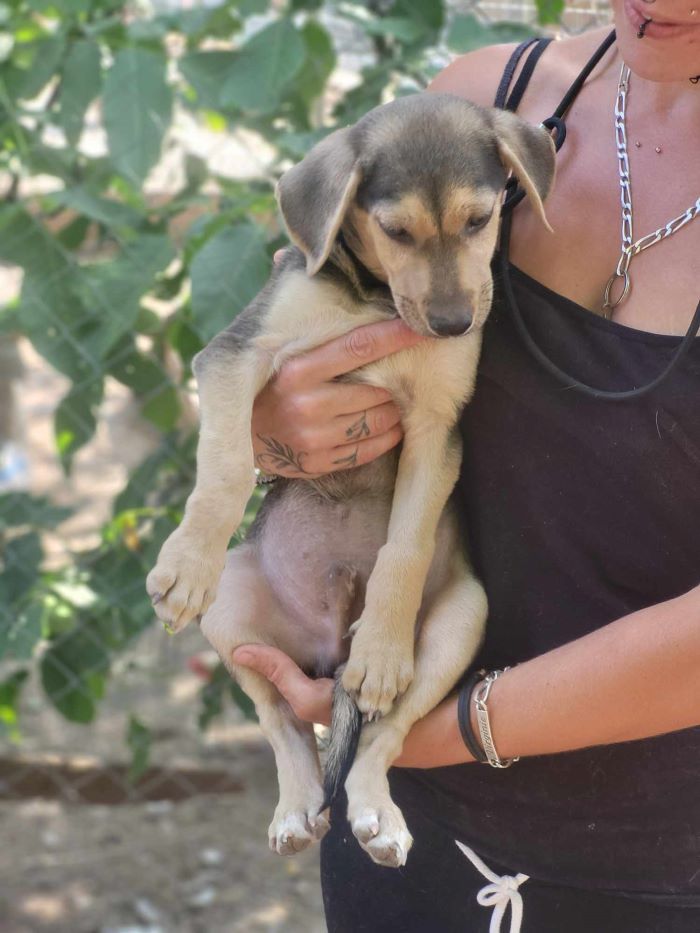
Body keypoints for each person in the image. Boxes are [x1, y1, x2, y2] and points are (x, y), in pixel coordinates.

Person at [231, 3, 700, 930]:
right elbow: (291, 347)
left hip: (655, 865)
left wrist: (429, 734)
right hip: (404, 831)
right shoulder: (483, 107)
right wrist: (277, 429)